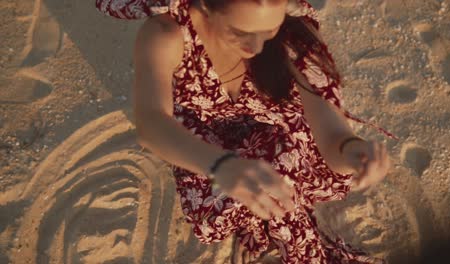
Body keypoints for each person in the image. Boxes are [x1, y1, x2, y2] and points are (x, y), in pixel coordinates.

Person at [95, 0, 399, 263]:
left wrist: (353, 151)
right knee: (216, 215)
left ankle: (282, 228)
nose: (256, 48)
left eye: (269, 31)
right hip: (208, 139)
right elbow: (151, 122)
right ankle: (264, 214)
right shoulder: (166, 34)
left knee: (284, 167)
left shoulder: (293, 29)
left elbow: (331, 136)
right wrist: (221, 165)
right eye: (240, 32)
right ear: (204, 6)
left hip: (276, 126)